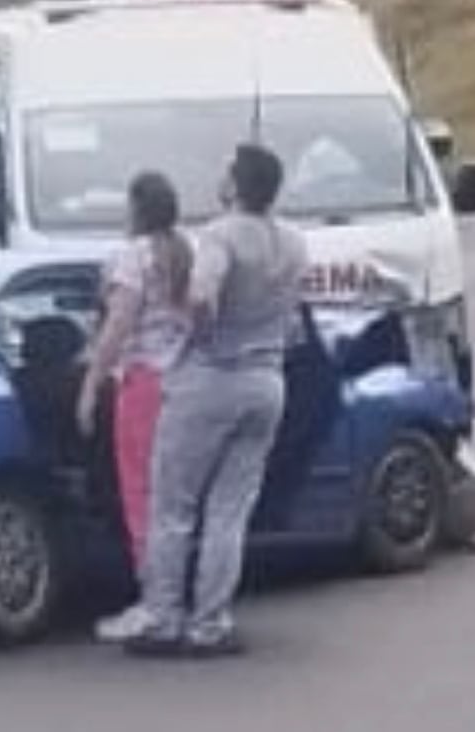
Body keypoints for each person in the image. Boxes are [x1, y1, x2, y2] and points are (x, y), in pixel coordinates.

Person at [126, 143, 309, 658]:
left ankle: (163, 619)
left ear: (236, 185)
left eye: (226, 171)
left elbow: (203, 295)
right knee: (230, 510)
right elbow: (295, 318)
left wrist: (193, 331)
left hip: (212, 376)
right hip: (267, 381)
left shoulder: (219, 236)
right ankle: (211, 623)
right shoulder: (294, 242)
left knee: (173, 505)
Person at [76, 172, 192, 642]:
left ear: (136, 209)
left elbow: (118, 327)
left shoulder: (133, 258)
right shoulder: (184, 253)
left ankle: (154, 600)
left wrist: (90, 385)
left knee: (141, 493)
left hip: (143, 384)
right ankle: (180, 594)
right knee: (178, 495)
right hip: (184, 382)